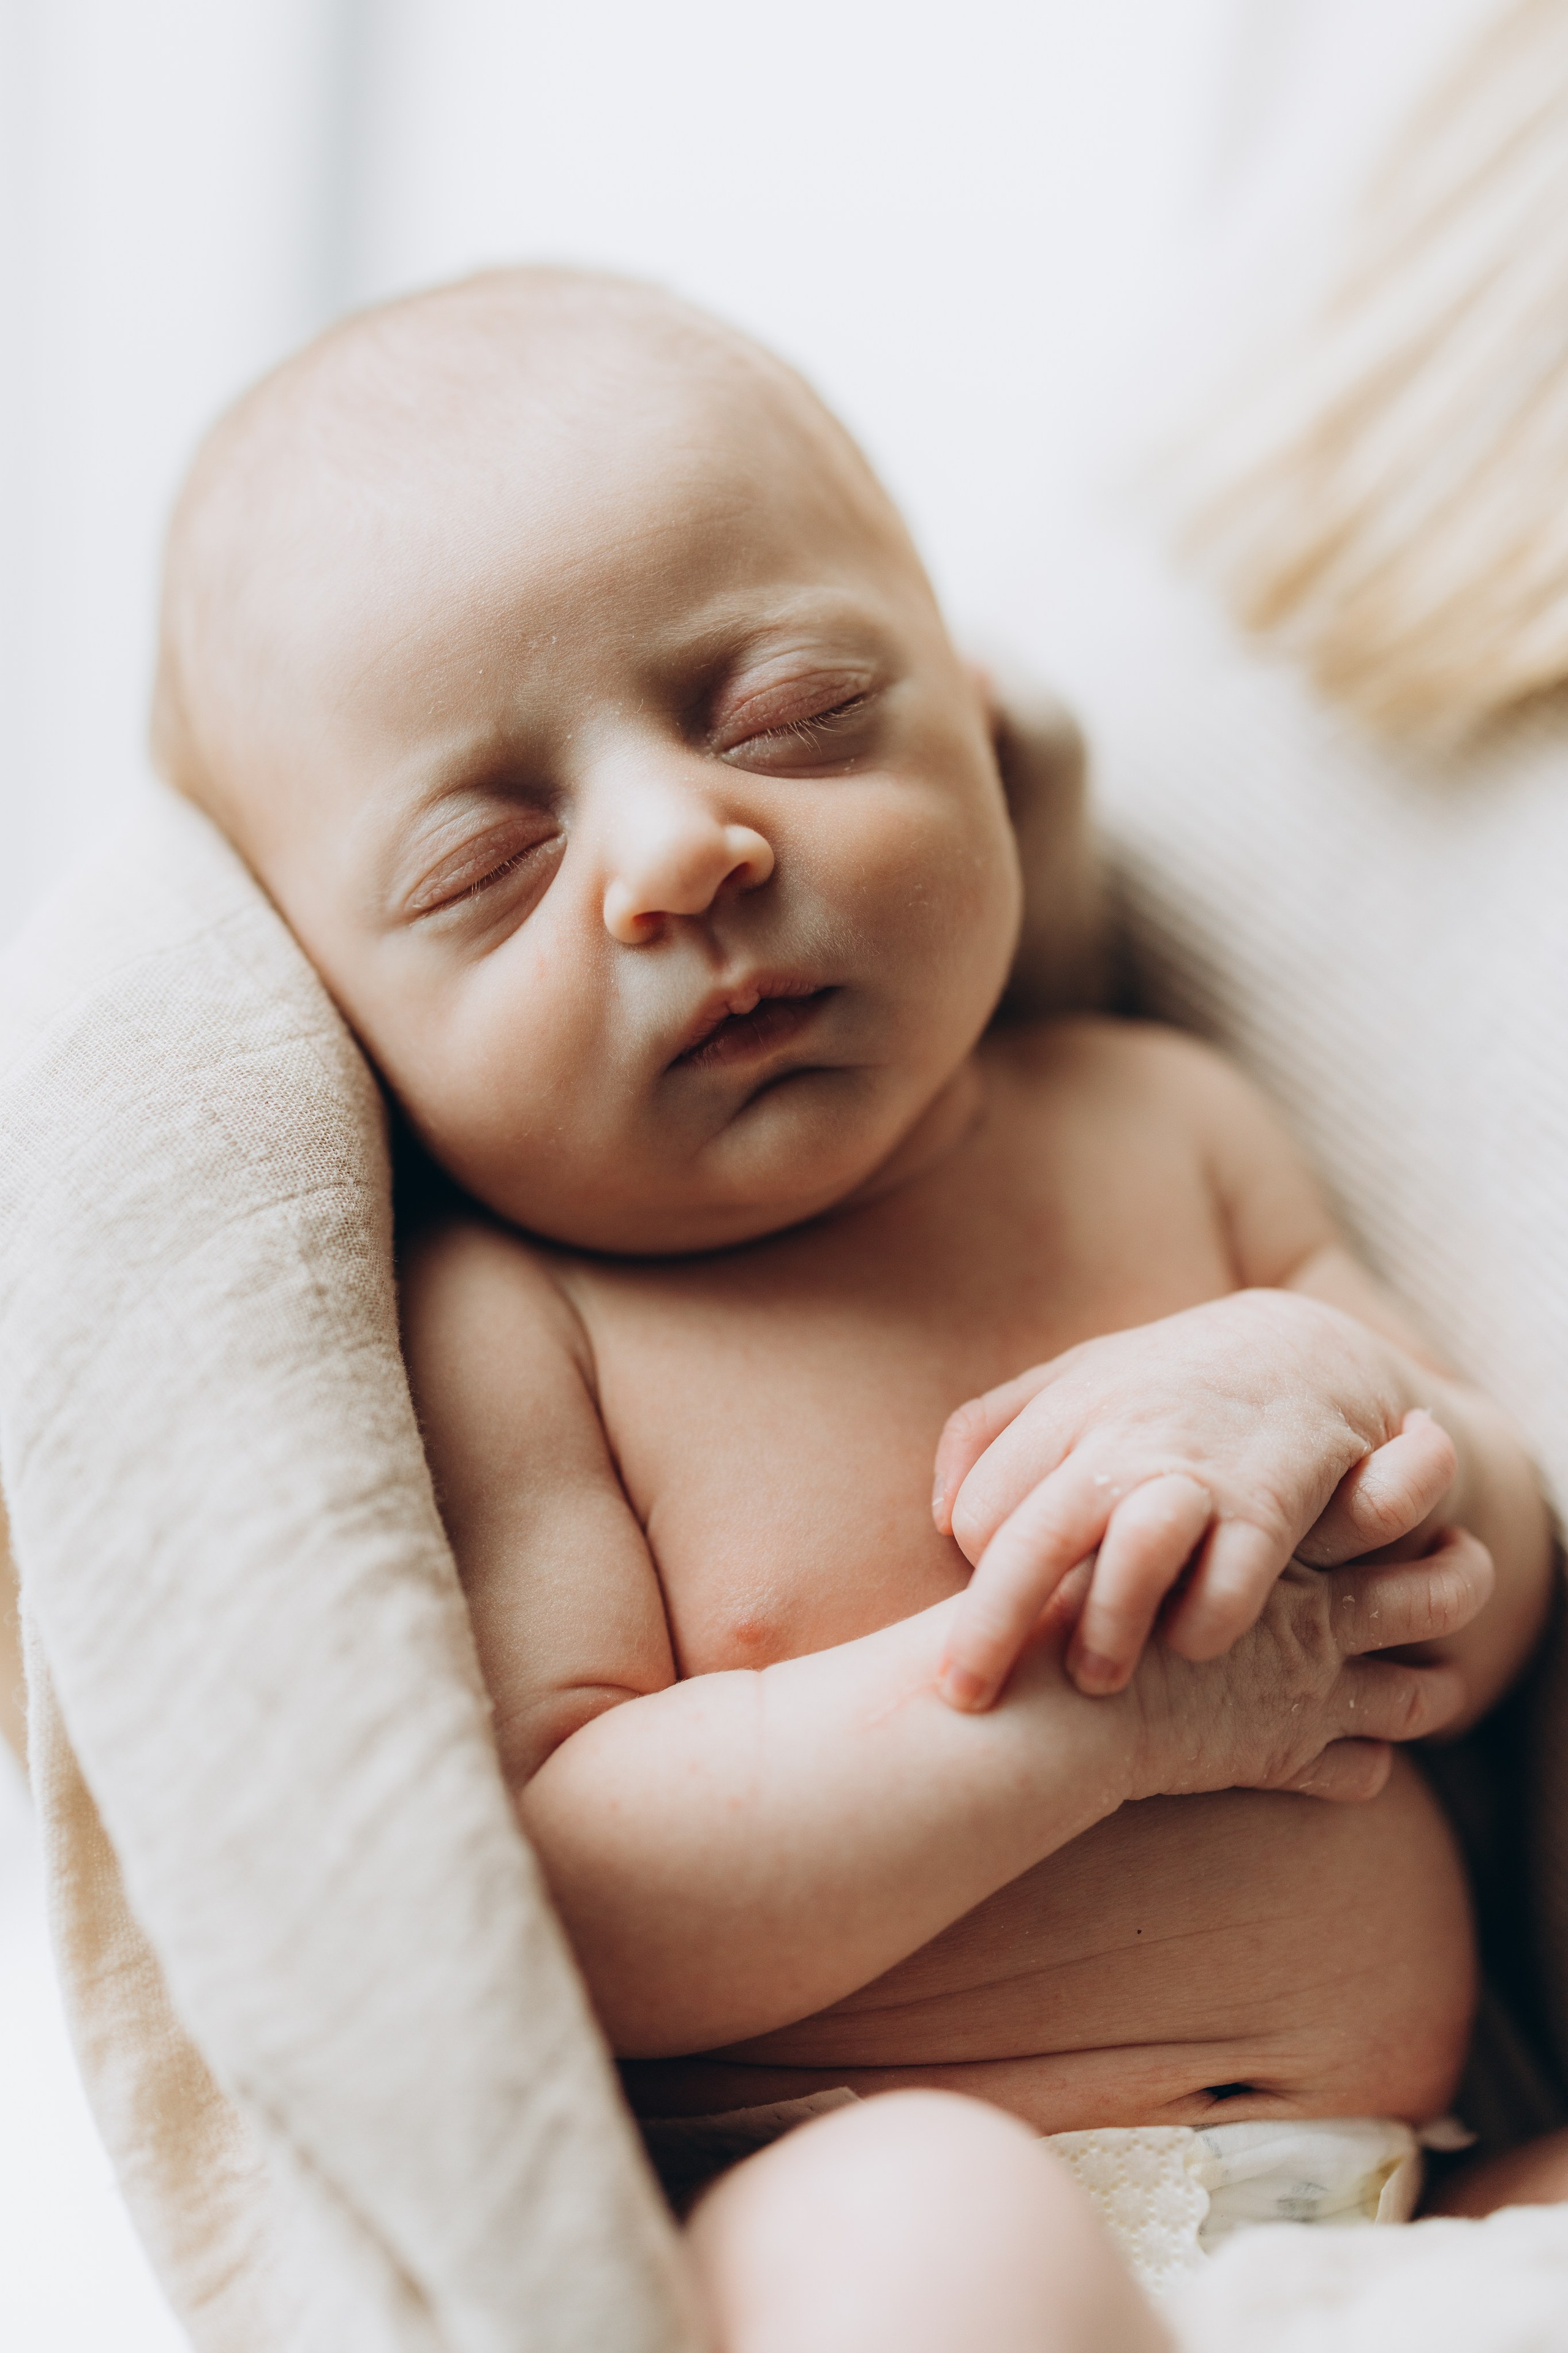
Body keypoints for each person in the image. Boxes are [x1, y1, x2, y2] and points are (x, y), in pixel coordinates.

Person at [150, 266, 1561, 2350]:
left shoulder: (1160, 1118)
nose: (679, 849)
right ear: (345, 1016)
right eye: (487, 867)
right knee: (930, 2221)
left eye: (789, 712)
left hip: (1414, 2195)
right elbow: (573, 1903)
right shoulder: (515, 1325)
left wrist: (1329, 1391)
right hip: (872, 2212)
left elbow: (1496, 1588)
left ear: (971, 712)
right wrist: (1098, 1722)